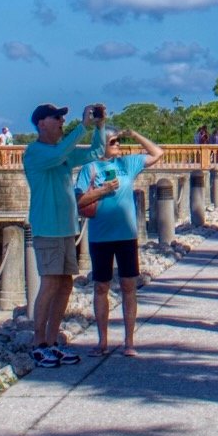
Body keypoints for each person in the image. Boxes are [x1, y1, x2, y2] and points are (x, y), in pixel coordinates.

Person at [22, 101, 107, 368]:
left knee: (65, 284)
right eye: (56, 117)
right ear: (41, 124)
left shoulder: (62, 151)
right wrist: (82, 126)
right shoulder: (35, 153)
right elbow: (59, 154)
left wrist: (99, 126)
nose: (61, 121)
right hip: (47, 228)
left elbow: (97, 152)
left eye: (62, 117)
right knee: (49, 283)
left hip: (66, 229)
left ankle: (51, 340)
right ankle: (38, 344)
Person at [74, 126, 164, 356]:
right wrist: (103, 191)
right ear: (101, 145)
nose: (118, 145)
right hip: (100, 236)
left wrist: (134, 134)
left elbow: (157, 154)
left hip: (126, 235)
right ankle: (102, 341)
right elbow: (79, 200)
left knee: (128, 286)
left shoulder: (127, 164)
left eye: (117, 141)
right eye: (113, 142)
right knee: (101, 286)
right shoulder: (90, 168)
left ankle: (129, 342)